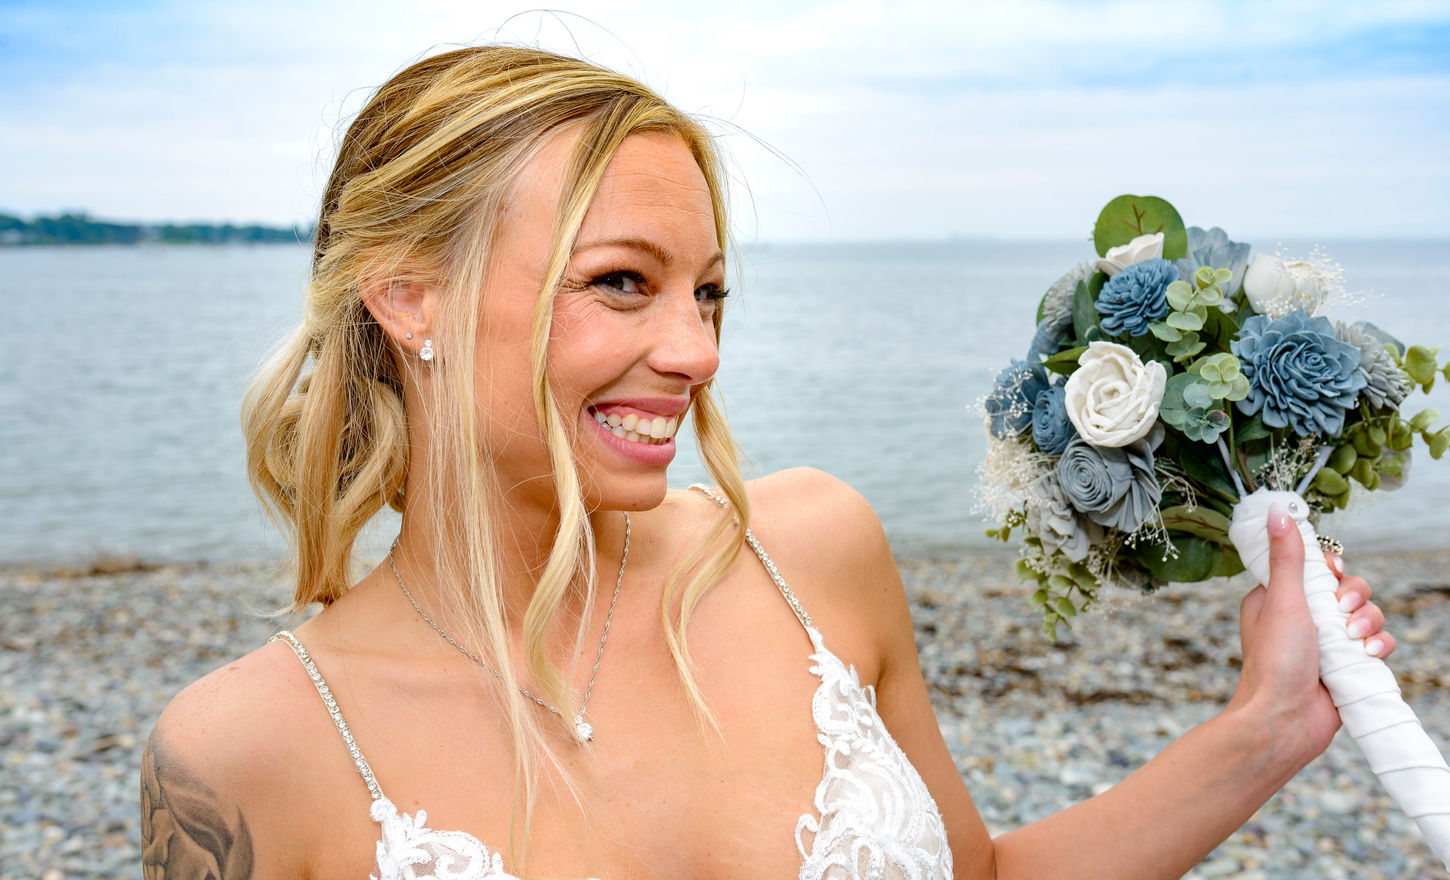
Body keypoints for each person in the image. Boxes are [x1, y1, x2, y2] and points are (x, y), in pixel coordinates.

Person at [141, 46, 1397, 880]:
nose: (693, 351)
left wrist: (1267, 723)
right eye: (620, 282)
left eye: (709, 294)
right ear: (411, 298)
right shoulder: (247, 752)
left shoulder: (812, 551)